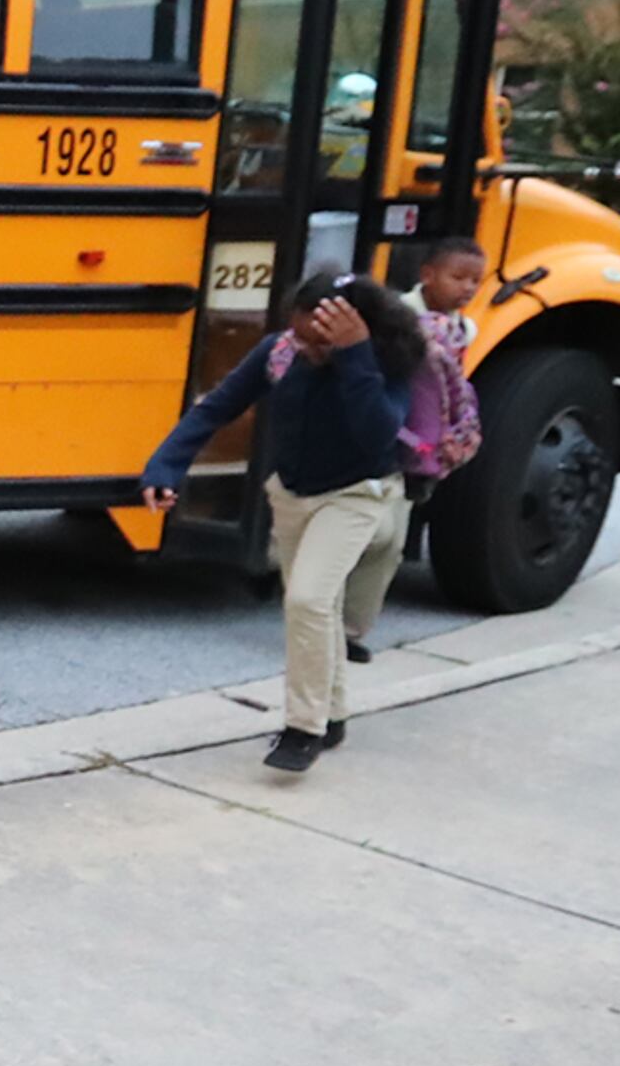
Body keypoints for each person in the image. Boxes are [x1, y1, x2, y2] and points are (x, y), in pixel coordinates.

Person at [141, 273, 423, 773]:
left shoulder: (387, 358)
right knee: (320, 607)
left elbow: (378, 433)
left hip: (355, 495)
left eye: (319, 342)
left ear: (355, 329)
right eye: (299, 335)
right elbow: (219, 406)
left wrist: (354, 357)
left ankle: (303, 728)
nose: (305, 349)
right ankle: (332, 716)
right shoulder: (279, 352)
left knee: (308, 599)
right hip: (291, 493)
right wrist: (165, 466)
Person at [346, 235, 489, 664]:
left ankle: (351, 628)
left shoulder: (466, 328)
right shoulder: (397, 316)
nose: (467, 288)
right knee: (363, 531)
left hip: (420, 449)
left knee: (389, 541)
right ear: (427, 275)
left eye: (475, 281)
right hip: (385, 435)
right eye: (458, 277)